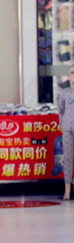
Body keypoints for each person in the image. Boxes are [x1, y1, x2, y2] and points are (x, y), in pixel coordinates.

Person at [57, 64, 74, 200]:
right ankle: (67, 190)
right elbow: (61, 110)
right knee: (67, 158)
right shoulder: (65, 92)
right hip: (68, 129)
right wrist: (62, 124)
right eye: (72, 72)